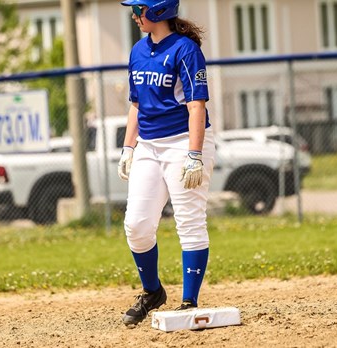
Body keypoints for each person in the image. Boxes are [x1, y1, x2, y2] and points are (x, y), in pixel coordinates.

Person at [118, 0, 216, 326]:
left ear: (159, 12)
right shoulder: (137, 51)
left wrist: (195, 154)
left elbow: (196, 106)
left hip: (182, 144)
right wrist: (128, 148)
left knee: (188, 221)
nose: (134, 15)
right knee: (136, 224)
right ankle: (152, 292)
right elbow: (135, 105)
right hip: (148, 144)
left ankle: (189, 301)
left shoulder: (185, 50)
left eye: (139, 9)